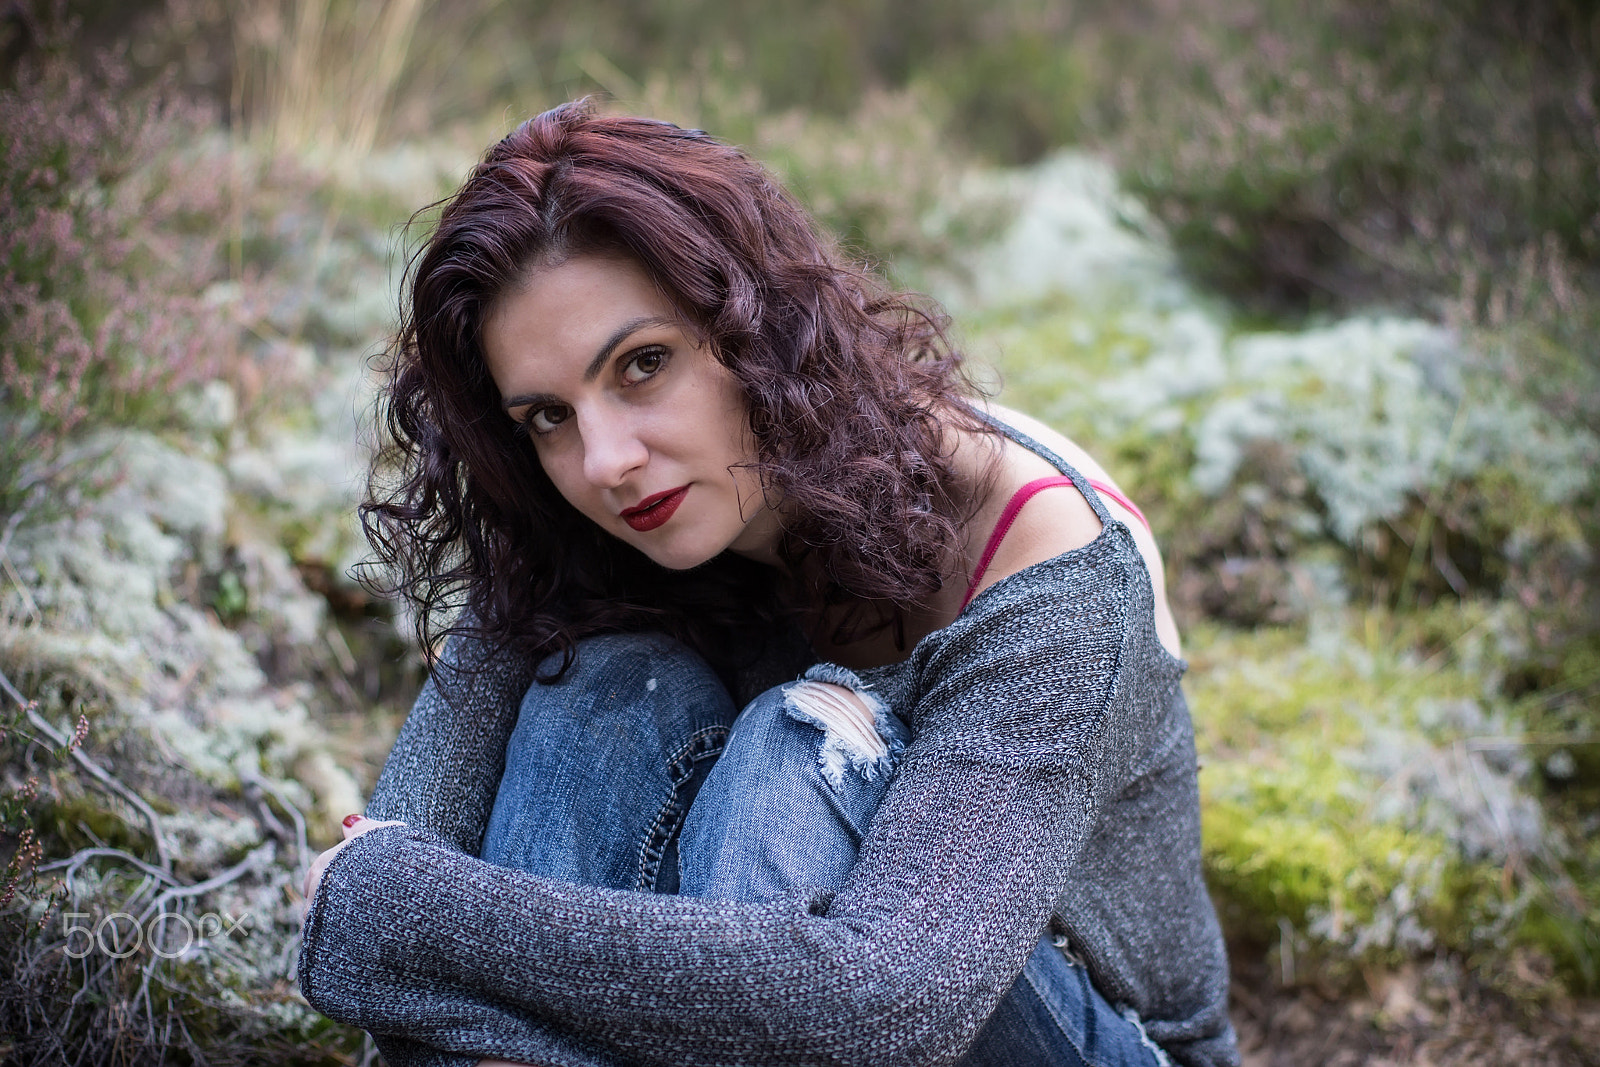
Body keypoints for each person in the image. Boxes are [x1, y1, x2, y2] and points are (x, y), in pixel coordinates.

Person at [296, 100, 1239, 1067]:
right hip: (783, 1004)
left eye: (643, 364)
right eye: (545, 416)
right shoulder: (597, 512)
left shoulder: (1047, 566)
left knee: (797, 748)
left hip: (1080, 1034)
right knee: (600, 690)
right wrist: (400, 917)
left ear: (754, 326)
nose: (607, 460)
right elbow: (393, 883)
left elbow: (891, 998)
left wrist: (418, 919)